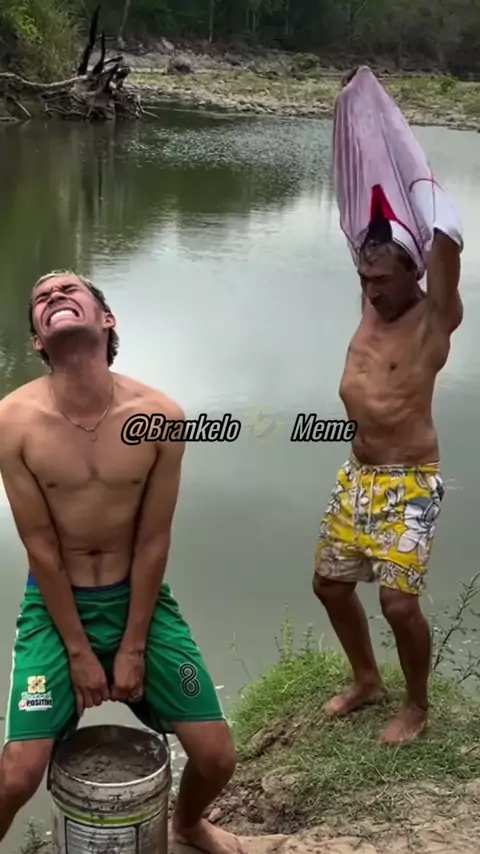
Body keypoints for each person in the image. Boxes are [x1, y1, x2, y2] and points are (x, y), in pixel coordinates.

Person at [0, 270, 245, 854]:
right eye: (41, 298)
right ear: (37, 339)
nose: (54, 296)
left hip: (139, 601)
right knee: (16, 776)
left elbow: (154, 540)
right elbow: (41, 548)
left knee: (216, 756)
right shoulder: (11, 421)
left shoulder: (160, 415)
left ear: (107, 320)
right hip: (56, 607)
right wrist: (79, 652)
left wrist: (133, 645)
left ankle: (187, 824)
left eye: (69, 290)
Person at [313, 108, 463, 743]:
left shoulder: (434, 319)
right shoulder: (372, 302)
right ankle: (367, 681)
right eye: (363, 278)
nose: (370, 291)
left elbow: (447, 240)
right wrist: (359, 113)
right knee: (329, 586)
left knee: (398, 603)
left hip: (409, 481)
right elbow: (363, 212)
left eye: (381, 279)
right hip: (358, 474)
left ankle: (417, 707)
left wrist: (420, 181)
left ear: (413, 272)